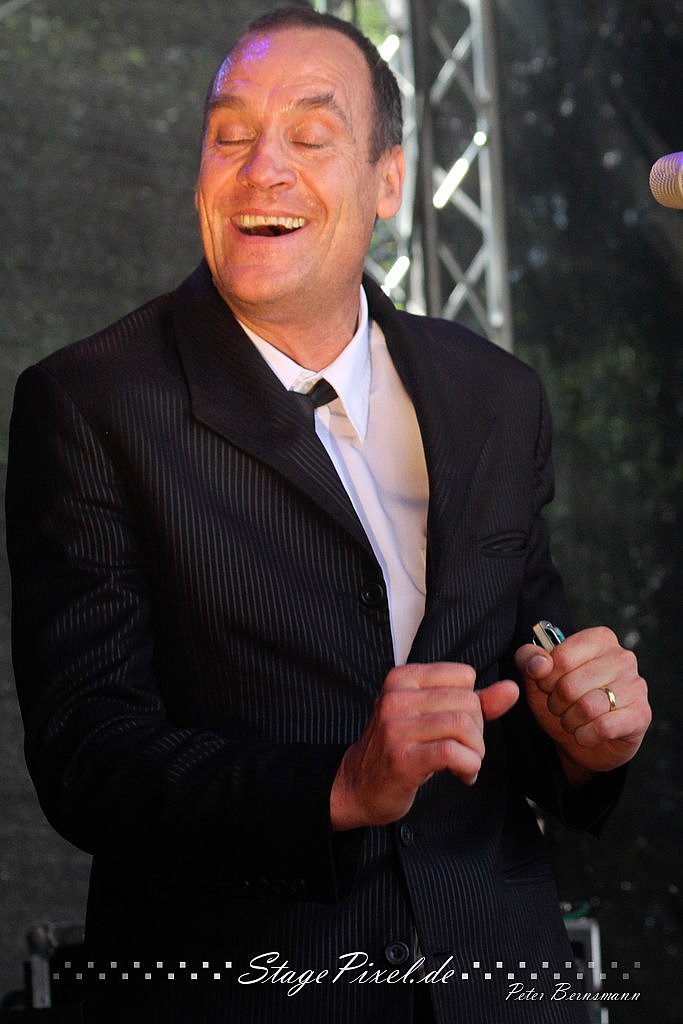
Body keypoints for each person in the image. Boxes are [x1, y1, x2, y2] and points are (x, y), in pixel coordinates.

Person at [6, 7, 651, 1023]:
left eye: (309, 137)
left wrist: (584, 737)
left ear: (387, 182)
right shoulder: (91, 404)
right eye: (229, 136)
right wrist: (340, 786)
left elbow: (519, 665)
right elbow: (89, 756)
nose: (261, 169)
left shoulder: (494, 394)